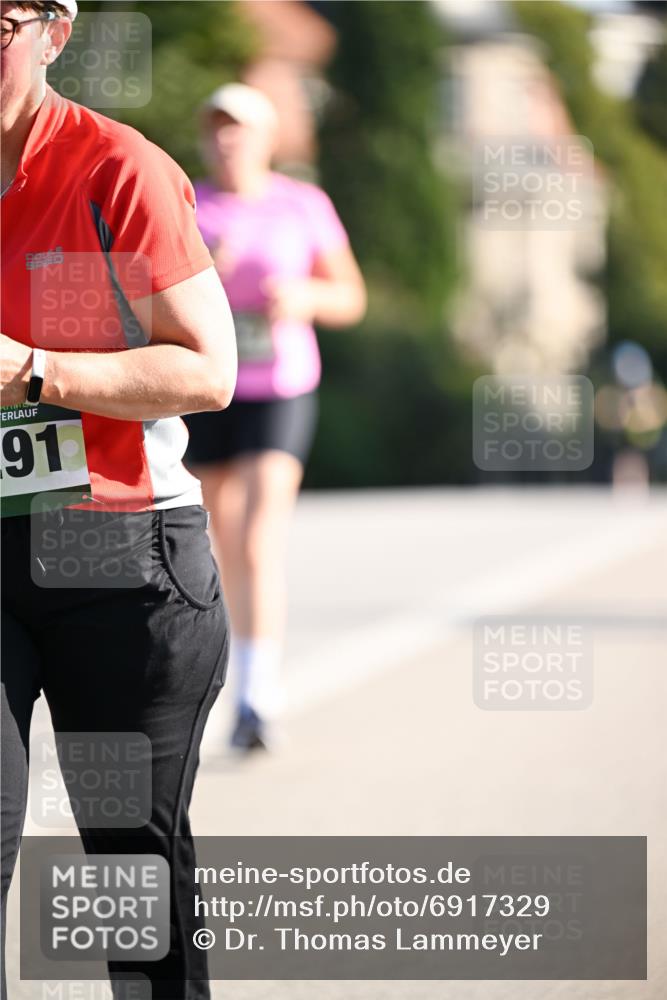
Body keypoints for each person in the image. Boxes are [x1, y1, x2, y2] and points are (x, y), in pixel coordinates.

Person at [1, 3, 237, 998]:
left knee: (129, 881)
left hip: (121, 559)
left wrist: (34, 371)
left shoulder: (116, 169)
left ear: (54, 32)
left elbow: (210, 369)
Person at [184, 84, 366, 752]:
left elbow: (350, 297)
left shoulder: (302, 204)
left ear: (265, 139)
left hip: (280, 384)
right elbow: (137, 296)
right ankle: (216, 679)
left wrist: (305, 296)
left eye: (239, 128)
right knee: (208, 546)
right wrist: (200, 275)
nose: (226, 139)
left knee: (257, 540)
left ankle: (258, 697)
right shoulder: (188, 205)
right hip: (207, 388)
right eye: (215, 128)